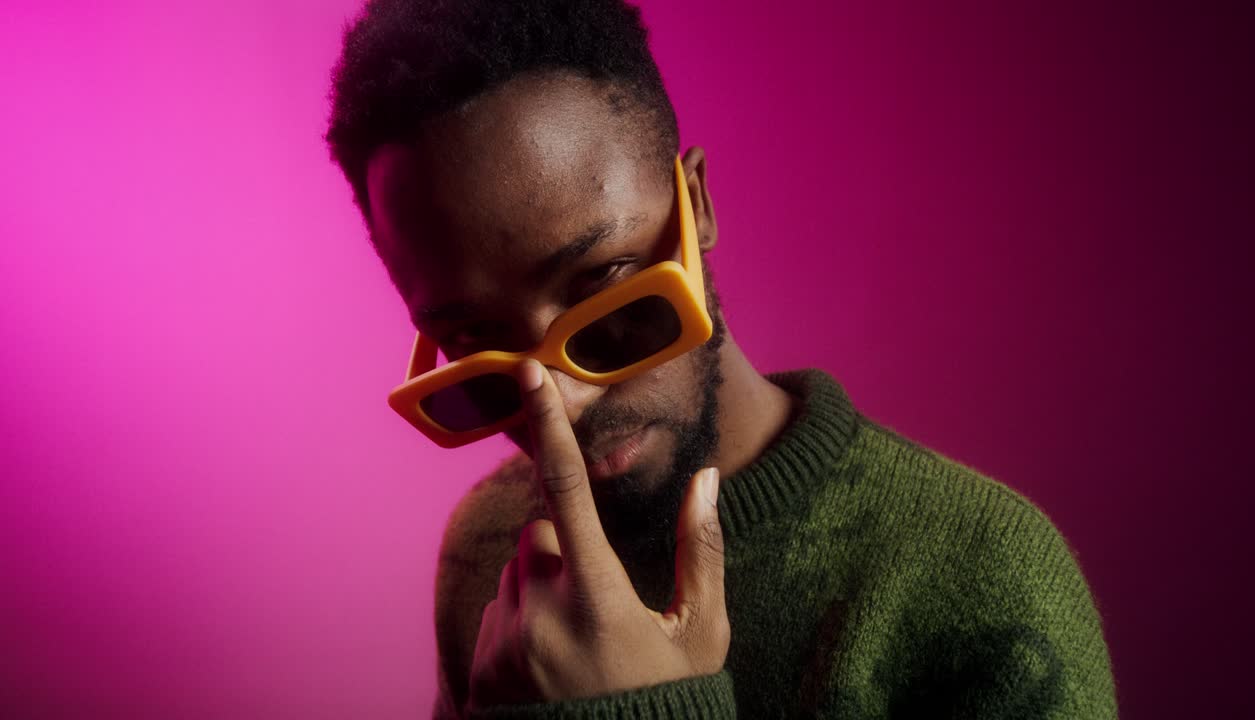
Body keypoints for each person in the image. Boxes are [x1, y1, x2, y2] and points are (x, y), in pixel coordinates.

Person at [323, 1, 1117, 717]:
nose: (558, 403)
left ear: (695, 208)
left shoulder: (980, 584)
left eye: (607, 294)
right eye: (479, 351)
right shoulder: (491, 551)